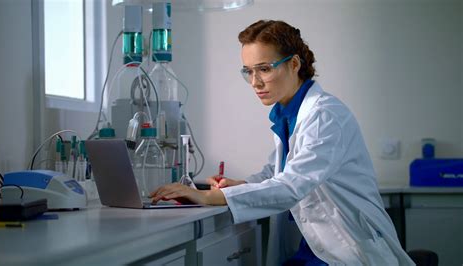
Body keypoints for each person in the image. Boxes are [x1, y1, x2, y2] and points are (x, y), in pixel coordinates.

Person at [150, 20, 414, 265]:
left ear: (294, 64)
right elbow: (278, 172)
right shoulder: (287, 113)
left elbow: (291, 185)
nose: (255, 82)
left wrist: (208, 196)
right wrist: (243, 185)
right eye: (248, 71)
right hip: (314, 246)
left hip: (346, 249)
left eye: (264, 69)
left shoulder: (324, 115)